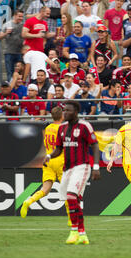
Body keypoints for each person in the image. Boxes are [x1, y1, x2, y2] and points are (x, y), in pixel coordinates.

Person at [44, 101, 100, 244]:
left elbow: (95, 145)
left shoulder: (84, 126)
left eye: (68, 111)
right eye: (64, 111)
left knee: (71, 196)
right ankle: (82, 235)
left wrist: (96, 167)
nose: (65, 113)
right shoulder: (62, 128)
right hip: (67, 169)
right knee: (72, 200)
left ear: (75, 112)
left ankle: (74, 231)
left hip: (82, 166)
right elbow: (58, 149)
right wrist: (49, 156)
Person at [20, 106, 72, 226]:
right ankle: (71, 218)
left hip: (48, 160)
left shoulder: (48, 128)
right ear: (62, 116)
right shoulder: (63, 128)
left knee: (45, 189)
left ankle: (29, 201)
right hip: (60, 160)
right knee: (68, 191)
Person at [0, 9, 24, 81]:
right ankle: (10, 88)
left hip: (20, 52)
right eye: (19, 16)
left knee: (20, 72)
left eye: (22, 17)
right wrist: (6, 33)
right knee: (9, 72)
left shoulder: (23, 25)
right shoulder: (7, 24)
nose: (21, 18)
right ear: (14, 16)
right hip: (9, 52)